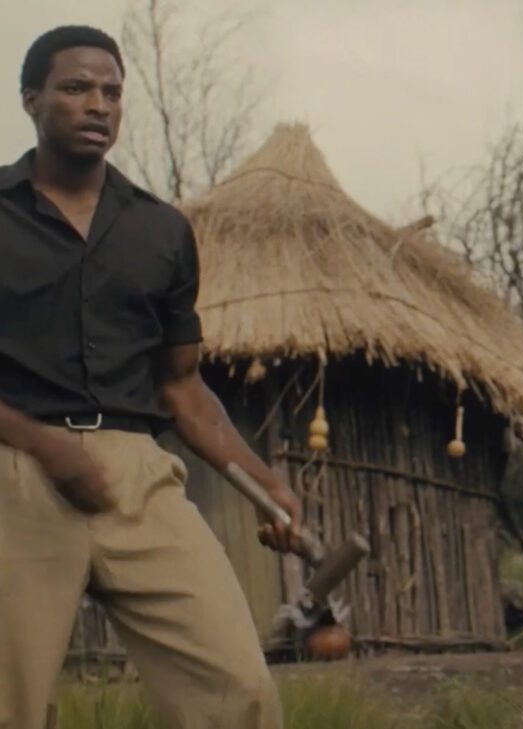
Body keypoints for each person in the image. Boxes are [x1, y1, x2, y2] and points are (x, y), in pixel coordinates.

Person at [0, 26, 304, 729]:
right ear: (31, 98)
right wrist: (43, 445)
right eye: (76, 88)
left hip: (138, 477)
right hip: (15, 470)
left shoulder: (162, 231)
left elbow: (182, 386)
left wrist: (264, 483)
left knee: (238, 691)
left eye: (112, 92)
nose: (98, 105)